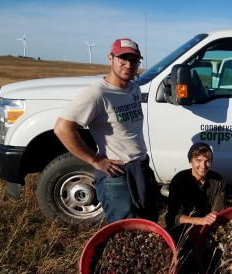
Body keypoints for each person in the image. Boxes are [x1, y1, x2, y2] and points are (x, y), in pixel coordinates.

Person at [54, 38, 159, 223]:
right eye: (122, 58)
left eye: (134, 60)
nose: (129, 65)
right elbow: (62, 128)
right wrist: (96, 161)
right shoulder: (96, 95)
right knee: (124, 231)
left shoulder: (134, 89)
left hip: (141, 168)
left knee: (149, 222)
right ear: (110, 58)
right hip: (117, 174)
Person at [165, 142, 227, 242]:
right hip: (183, 227)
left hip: (207, 226)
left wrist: (205, 224)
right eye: (198, 160)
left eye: (207, 161)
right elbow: (175, 216)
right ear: (191, 162)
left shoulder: (218, 180)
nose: (203, 165)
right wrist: (199, 222)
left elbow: (218, 208)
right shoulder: (179, 180)